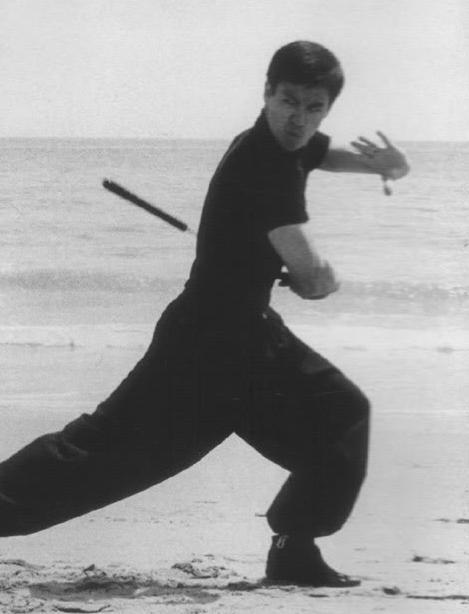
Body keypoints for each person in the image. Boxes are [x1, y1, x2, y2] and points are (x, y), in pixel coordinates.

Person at [0, 41, 409, 587]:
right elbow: (311, 278)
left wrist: (382, 167)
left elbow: (318, 153)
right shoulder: (265, 167)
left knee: (340, 415)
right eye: (289, 102)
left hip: (252, 340)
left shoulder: (282, 144)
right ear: (266, 93)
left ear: (327, 110)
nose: (299, 119)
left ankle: (294, 548)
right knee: (97, 459)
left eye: (314, 108)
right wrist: (324, 279)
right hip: (200, 349)